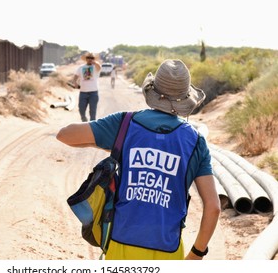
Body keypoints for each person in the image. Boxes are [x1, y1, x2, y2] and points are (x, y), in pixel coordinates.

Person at [56, 59, 220, 260]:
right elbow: (213, 207)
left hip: (121, 245)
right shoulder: (196, 141)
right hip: (169, 250)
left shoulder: (124, 124)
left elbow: (65, 135)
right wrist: (196, 253)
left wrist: (111, 143)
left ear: (152, 91)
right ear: (186, 98)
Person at [72, 52, 102, 122]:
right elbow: (75, 76)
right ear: (86, 59)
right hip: (83, 92)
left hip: (93, 93)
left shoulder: (95, 67)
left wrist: (95, 63)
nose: (90, 59)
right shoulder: (81, 67)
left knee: (92, 112)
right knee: (81, 110)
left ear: (94, 59)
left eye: (92, 58)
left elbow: (99, 67)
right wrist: (75, 83)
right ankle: (84, 121)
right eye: (88, 58)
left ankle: (92, 128)